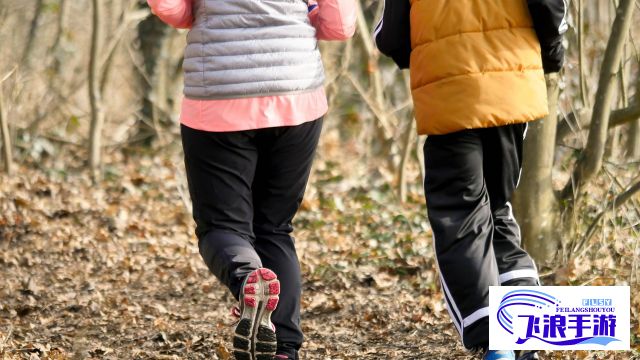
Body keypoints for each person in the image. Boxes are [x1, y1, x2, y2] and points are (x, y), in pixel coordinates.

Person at [146, 0, 356, 359]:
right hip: (295, 89)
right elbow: (339, 24)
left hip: (219, 95)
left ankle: (248, 279)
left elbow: (172, 10)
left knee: (222, 226)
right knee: (274, 226)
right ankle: (284, 348)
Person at [374, 0, 566, 359]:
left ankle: (496, 342)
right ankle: (527, 335)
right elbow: (550, 7)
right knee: (497, 210)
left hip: (450, 94)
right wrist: (551, 53)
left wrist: (424, 52)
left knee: (461, 219)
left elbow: (390, 35)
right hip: (512, 87)